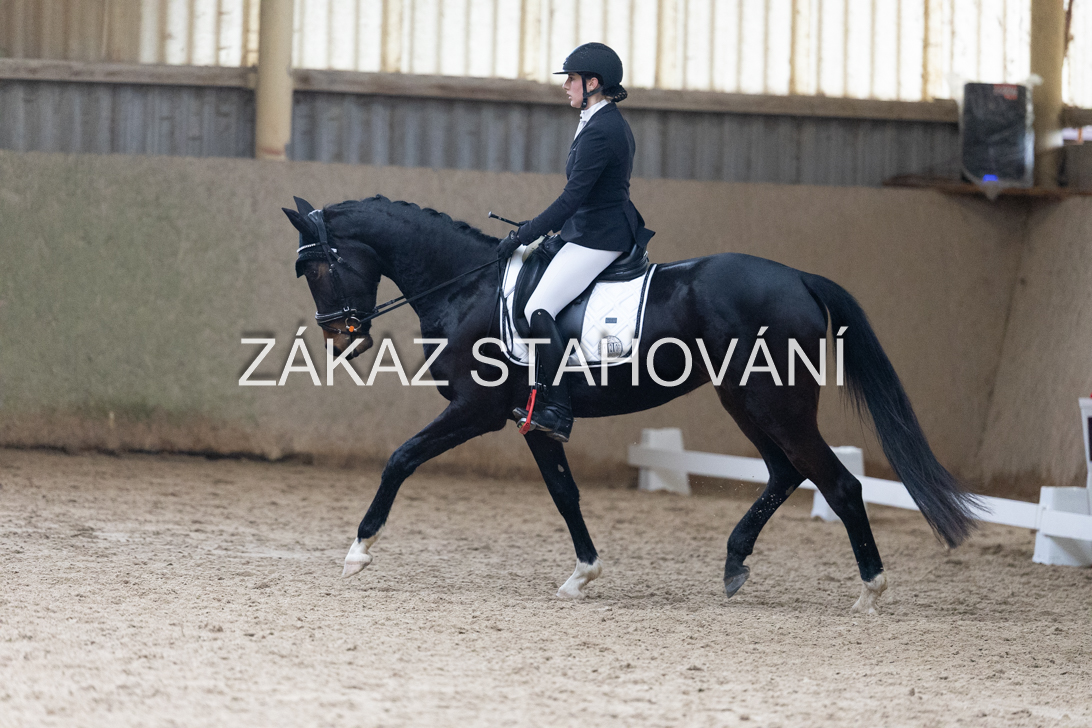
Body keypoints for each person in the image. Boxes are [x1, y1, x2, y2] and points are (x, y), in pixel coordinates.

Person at [496, 42, 654, 443]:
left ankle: (557, 410)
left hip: (600, 236)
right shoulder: (596, 119)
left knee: (538, 308)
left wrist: (524, 234)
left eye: (572, 79)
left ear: (593, 83)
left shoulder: (602, 129)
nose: (566, 85)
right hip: (588, 229)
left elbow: (571, 199)